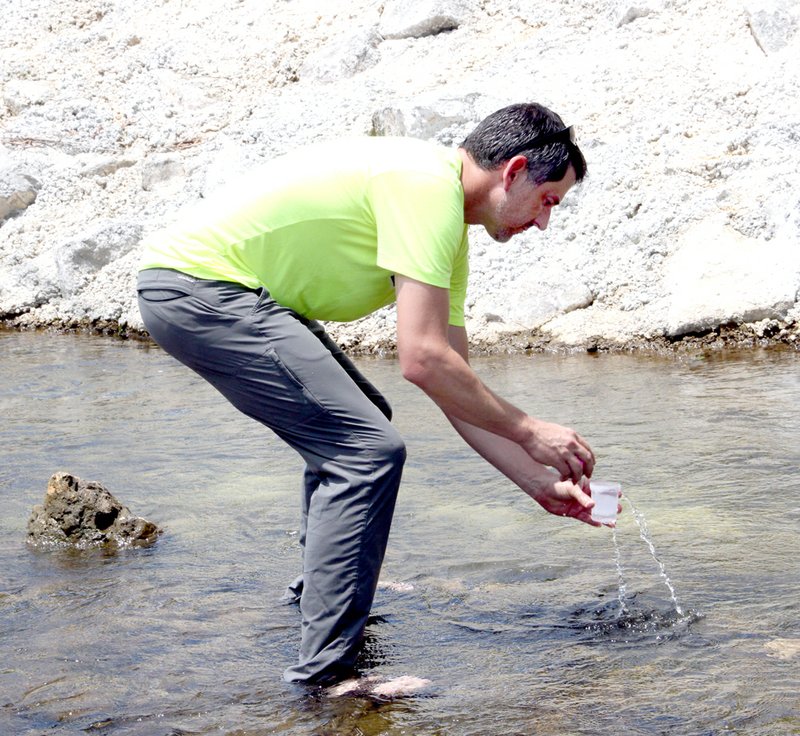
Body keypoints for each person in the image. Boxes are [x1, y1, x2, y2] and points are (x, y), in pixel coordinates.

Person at [136, 101, 598, 689]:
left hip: (219, 292)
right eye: (548, 201)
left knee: (363, 428)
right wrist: (532, 431)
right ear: (514, 171)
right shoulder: (424, 188)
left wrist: (536, 482)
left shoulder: (447, 225)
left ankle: (321, 596)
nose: (543, 223)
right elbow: (421, 359)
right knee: (365, 449)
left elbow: (450, 379)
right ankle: (326, 678)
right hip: (197, 287)